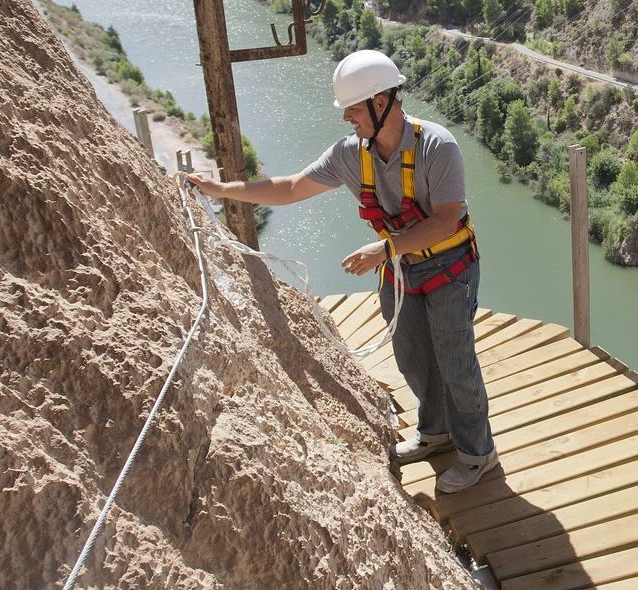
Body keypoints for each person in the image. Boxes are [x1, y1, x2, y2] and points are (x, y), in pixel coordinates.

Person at [185, 49, 498, 493]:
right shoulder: (352, 155)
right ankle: (435, 432)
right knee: (413, 358)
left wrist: (384, 249)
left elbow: (446, 219)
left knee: (456, 362)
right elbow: (292, 187)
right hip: (400, 268)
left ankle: (477, 453)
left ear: (382, 101)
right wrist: (223, 190)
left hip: (448, 266)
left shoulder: (436, 146)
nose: (347, 117)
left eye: (353, 107)